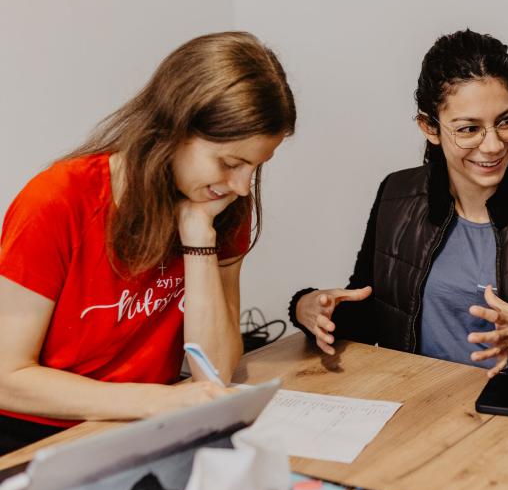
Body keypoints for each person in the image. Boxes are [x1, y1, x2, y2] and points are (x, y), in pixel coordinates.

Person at [0, 31, 296, 453]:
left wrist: (198, 240)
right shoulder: (57, 201)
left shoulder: (221, 206)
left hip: (142, 426)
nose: (243, 187)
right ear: (175, 129)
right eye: (230, 163)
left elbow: (214, 371)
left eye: (254, 168)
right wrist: (160, 400)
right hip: (39, 435)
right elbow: (6, 378)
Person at [289, 29, 508, 379]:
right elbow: (369, 316)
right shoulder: (396, 194)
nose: (493, 146)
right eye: (469, 129)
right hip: (416, 399)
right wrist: (306, 307)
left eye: (506, 121)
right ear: (429, 127)